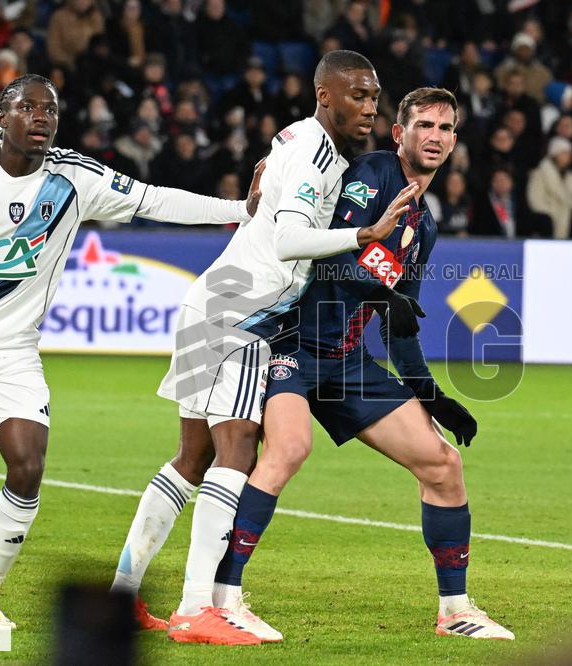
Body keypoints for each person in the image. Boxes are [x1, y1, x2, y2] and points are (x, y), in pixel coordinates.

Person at [0, 73, 263, 629]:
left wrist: (239, 209)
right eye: (28, 107)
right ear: (2, 116)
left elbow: (152, 199)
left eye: (51, 109)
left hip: (12, 351)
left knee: (28, 464)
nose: (42, 116)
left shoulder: (75, 177)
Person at [111, 50, 418, 645]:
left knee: (191, 457)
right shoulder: (315, 151)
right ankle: (199, 607)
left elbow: (276, 165)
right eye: (357, 95)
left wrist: (268, 166)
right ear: (325, 95)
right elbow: (285, 241)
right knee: (236, 453)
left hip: (213, 301)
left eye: (375, 97)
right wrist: (367, 234)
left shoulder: (299, 139)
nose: (370, 108)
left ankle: (122, 596)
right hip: (238, 317)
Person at [212, 86, 514, 641]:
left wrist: (431, 395)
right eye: (424, 125)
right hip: (292, 346)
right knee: (286, 451)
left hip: (349, 363)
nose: (436, 137)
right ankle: (223, 600)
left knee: (443, 465)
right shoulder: (373, 175)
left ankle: (455, 610)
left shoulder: (423, 225)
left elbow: (401, 325)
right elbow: (330, 254)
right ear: (400, 134)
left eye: (446, 129)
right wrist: (381, 292)